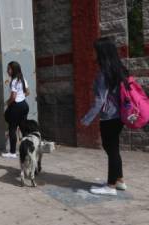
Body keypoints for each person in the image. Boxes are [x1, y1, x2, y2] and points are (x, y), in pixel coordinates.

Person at [81, 37, 128, 196]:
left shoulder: (103, 73)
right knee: (113, 149)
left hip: (109, 117)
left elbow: (100, 100)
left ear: (102, 52)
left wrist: (87, 119)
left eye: (95, 50)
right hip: (119, 116)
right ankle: (119, 180)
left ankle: (110, 186)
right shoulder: (119, 69)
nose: (93, 53)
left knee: (111, 150)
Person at [2, 61, 30, 159]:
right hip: (24, 105)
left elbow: (13, 97)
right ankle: (28, 149)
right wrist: (21, 97)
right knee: (23, 128)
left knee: (12, 128)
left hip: (16, 106)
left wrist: (7, 103)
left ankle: (13, 152)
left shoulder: (14, 81)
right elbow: (27, 92)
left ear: (13, 69)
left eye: (9, 69)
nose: (7, 71)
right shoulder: (22, 79)